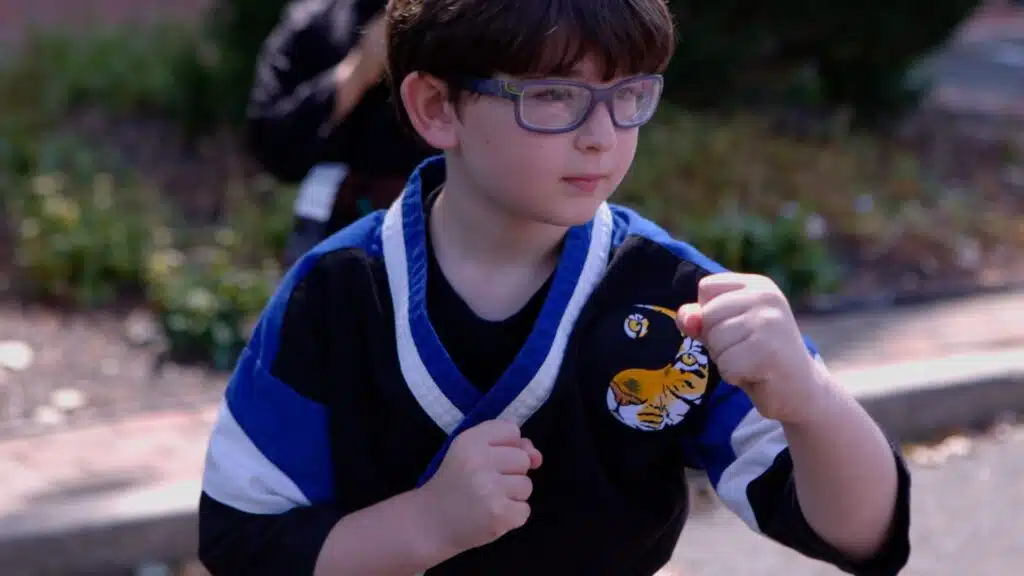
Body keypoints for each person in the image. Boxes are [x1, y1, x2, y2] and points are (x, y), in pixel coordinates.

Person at [198, 0, 912, 574]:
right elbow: (241, 539)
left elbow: (861, 537)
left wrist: (814, 406)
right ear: (436, 108)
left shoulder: (676, 297)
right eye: (553, 96)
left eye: (630, 93)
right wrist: (420, 527)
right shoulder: (333, 293)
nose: (602, 134)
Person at [247, 0, 433, 263]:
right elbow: (271, 145)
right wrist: (355, 74)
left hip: (437, 236)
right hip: (331, 238)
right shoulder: (312, 22)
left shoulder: (461, 22)